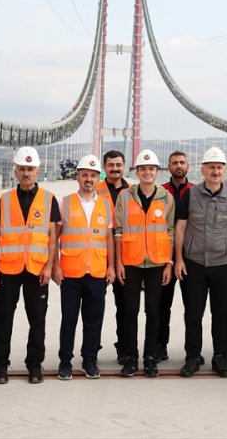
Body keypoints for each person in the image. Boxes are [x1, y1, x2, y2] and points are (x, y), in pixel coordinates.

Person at [0, 146, 59, 384]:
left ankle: (34, 364)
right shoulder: (5, 199)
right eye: (22, 169)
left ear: (37, 171)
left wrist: (49, 267)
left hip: (37, 269)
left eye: (30, 169)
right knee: (3, 318)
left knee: (37, 319)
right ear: (15, 171)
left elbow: (52, 237)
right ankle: (0, 366)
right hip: (8, 268)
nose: (26, 173)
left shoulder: (49, 199)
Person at [175, 147, 227, 378]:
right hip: (194, 263)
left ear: (225, 170)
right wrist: (178, 259)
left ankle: (220, 356)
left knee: (222, 313)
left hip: (223, 264)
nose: (215, 171)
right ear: (203, 170)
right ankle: (193, 356)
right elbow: (181, 227)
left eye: (219, 167)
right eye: (211, 167)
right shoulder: (190, 195)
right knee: (193, 313)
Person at [114, 149, 175, 377]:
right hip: (131, 262)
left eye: (151, 168)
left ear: (157, 172)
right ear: (137, 172)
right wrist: (119, 263)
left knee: (153, 311)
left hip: (157, 263)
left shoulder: (167, 198)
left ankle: (150, 357)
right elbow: (118, 231)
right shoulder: (125, 196)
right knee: (130, 311)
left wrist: (168, 263)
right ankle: (130, 357)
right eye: (143, 169)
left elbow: (169, 231)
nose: (147, 172)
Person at [54, 155, 115, 381]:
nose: (89, 179)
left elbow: (108, 238)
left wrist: (111, 267)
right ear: (77, 177)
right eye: (85, 175)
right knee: (68, 319)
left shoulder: (105, 205)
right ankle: (65, 361)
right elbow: (55, 238)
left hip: (97, 272)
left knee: (93, 320)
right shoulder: (65, 202)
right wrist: (55, 266)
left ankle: (90, 359)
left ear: (98, 178)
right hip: (70, 271)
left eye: (93, 175)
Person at [157, 150, 193, 363]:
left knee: (192, 307)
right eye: (174, 163)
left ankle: (191, 350)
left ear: (188, 166)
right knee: (162, 305)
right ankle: (160, 346)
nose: (178, 165)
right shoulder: (161, 192)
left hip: (190, 258)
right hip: (164, 258)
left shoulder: (196, 191)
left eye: (182, 162)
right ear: (168, 167)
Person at [96, 149, 129, 364]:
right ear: (104, 167)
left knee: (125, 306)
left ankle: (124, 348)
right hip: (98, 255)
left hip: (125, 257)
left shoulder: (133, 191)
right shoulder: (95, 190)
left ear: (124, 166)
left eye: (119, 165)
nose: (115, 169)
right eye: (111, 165)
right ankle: (92, 348)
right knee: (95, 306)